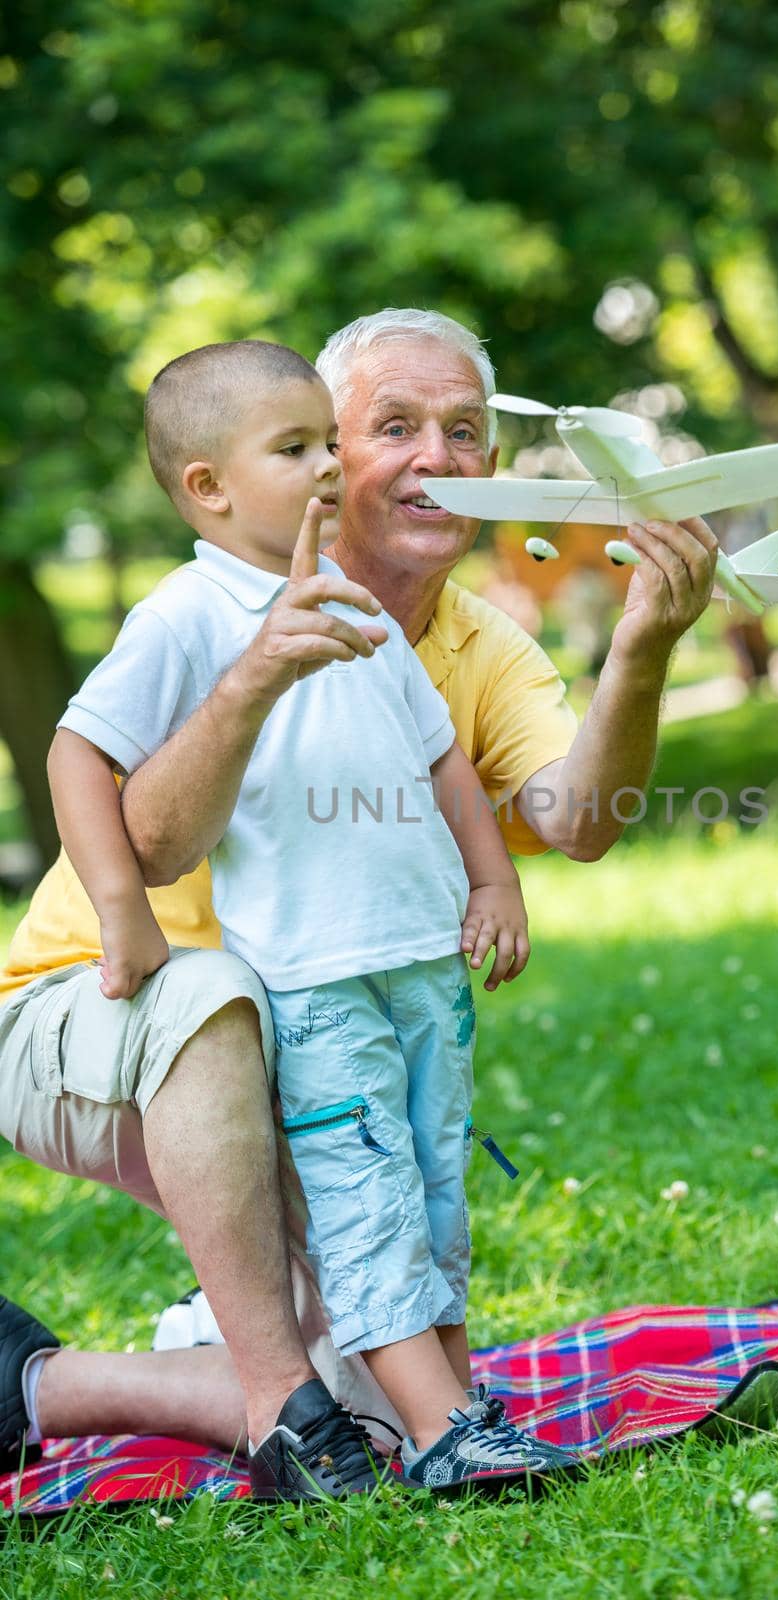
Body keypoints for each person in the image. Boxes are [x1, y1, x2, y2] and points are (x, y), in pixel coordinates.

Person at [0, 308, 718, 1495]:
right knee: (215, 995)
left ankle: (117, 1370)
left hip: (321, 1025)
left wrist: (640, 647)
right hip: (102, 1022)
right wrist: (253, 678)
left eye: (466, 430)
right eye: (389, 427)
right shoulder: (204, 615)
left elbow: (573, 820)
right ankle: (272, 1392)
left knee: (389, 1388)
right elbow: (151, 837)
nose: (436, 455)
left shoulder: (449, 640)